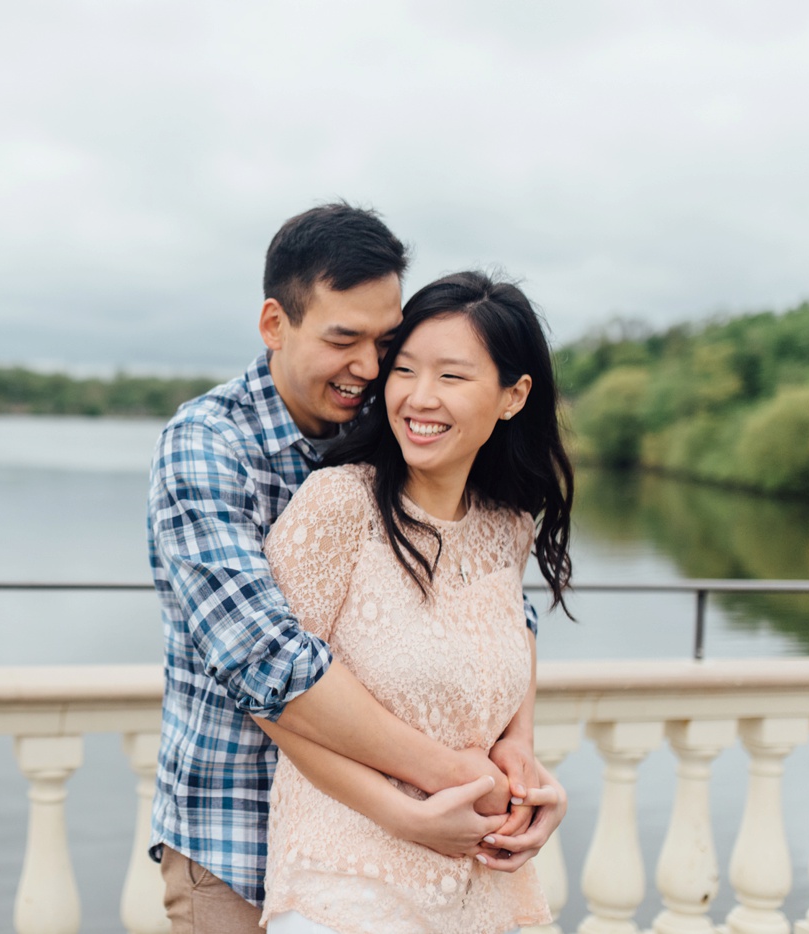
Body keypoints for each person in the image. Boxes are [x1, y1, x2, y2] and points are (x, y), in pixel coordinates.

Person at [147, 202, 565, 933]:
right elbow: (266, 661)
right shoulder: (208, 447)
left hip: (428, 849)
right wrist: (456, 779)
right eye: (346, 340)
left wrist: (514, 749)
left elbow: (495, 611)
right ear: (275, 325)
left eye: (386, 342)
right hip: (237, 836)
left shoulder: (395, 442)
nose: (372, 370)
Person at [257, 271, 574, 933]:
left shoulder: (507, 527)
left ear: (513, 396)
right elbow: (269, 700)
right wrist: (402, 813)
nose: (419, 398)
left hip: (481, 884)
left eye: (452, 377)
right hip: (348, 883)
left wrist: (522, 755)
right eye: (404, 370)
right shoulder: (338, 505)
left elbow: (509, 636)